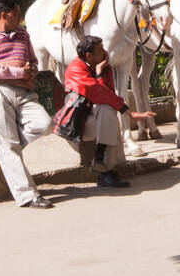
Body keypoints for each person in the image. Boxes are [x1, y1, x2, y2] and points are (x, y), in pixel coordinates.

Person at [0, 0, 54, 209]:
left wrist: (32, 69)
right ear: (4, 15)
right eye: (17, 13)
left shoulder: (23, 35)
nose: (20, 18)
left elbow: (33, 60)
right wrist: (19, 72)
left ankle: (8, 149)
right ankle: (28, 196)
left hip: (24, 92)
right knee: (8, 146)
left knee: (44, 124)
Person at [61, 36, 155, 188]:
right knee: (108, 112)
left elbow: (108, 94)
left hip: (95, 118)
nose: (105, 53)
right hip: (76, 124)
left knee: (107, 111)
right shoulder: (75, 68)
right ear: (88, 56)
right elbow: (97, 92)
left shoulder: (105, 67)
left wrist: (100, 73)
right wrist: (129, 112)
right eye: (100, 50)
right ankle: (105, 168)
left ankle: (102, 163)